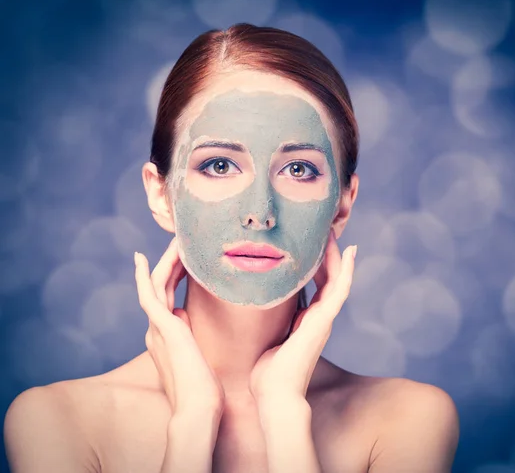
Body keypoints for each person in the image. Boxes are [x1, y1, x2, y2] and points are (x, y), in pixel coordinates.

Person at [3, 24, 459, 472]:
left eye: (299, 169)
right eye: (219, 165)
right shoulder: (59, 422)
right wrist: (193, 421)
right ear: (161, 195)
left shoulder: (407, 419)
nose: (260, 212)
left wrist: (284, 413)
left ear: (342, 204)